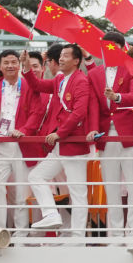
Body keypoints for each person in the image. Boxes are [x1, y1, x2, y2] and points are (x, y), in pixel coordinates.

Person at [22, 45, 99, 235]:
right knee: (36, 176)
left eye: (66, 56)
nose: (61, 59)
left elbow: (79, 112)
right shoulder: (60, 79)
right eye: (61, 55)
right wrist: (26, 68)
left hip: (73, 145)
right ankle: (51, 215)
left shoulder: (81, 80)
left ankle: (78, 237)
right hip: (61, 145)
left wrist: (60, 133)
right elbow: (37, 85)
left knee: (77, 193)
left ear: (76, 61)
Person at [0, 50, 44, 234]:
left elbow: (37, 112)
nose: (10, 66)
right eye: (6, 62)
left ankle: (21, 232)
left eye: (14, 62)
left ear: (19, 65)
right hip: (0, 143)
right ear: (0, 66)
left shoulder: (28, 85)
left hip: (22, 143)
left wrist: (24, 130)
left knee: (22, 191)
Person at [89, 32, 133, 237]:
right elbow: (93, 104)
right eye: (106, 46)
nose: (110, 50)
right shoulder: (94, 73)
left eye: (114, 46)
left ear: (123, 48)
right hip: (106, 134)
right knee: (111, 186)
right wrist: (93, 128)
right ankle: (115, 234)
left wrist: (117, 97)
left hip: (130, 133)